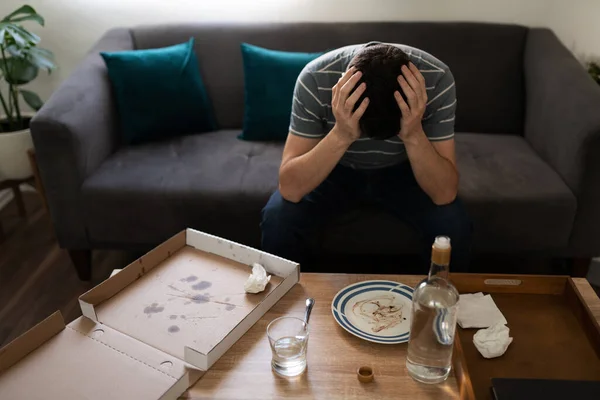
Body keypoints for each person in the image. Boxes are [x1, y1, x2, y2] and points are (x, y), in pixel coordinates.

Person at [260, 42, 472, 271]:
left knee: (453, 222)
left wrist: (412, 132)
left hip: (405, 168)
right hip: (335, 168)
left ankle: (443, 301)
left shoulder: (437, 78)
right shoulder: (315, 78)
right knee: (279, 218)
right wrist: (342, 133)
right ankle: (285, 303)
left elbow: (444, 194)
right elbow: (290, 188)